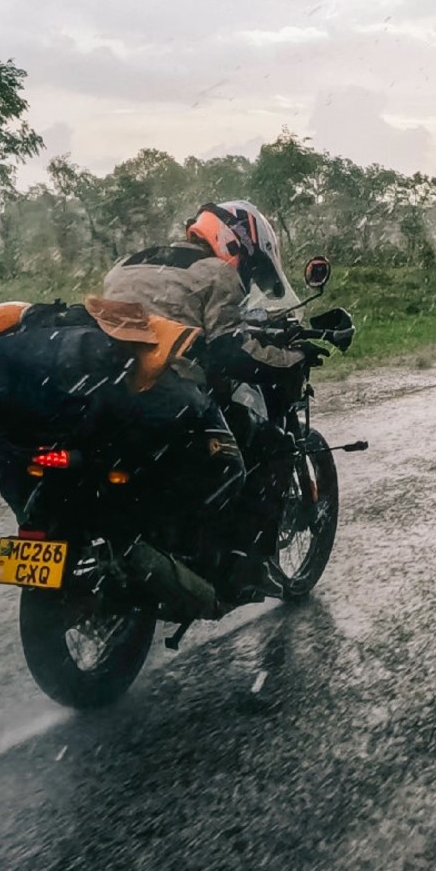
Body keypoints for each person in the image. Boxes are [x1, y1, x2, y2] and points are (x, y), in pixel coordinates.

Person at [101, 200, 316, 604]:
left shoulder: (125, 264)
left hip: (111, 391)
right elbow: (230, 352)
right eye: (248, 267)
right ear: (233, 243)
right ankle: (243, 564)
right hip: (170, 397)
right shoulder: (216, 272)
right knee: (271, 444)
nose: (245, 276)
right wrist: (290, 364)